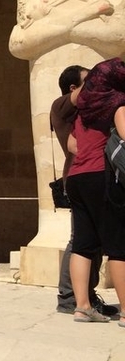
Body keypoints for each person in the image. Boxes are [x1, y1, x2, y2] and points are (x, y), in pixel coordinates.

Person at [52, 66, 116, 315]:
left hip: (90, 177)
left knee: (91, 240)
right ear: (73, 88)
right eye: (89, 81)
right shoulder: (60, 106)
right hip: (81, 177)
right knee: (79, 240)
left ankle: (85, 296)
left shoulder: (87, 111)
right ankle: (69, 297)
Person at [70, 58, 125, 324]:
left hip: (76, 176)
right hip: (99, 177)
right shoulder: (116, 105)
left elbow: (72, 144)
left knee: (82, 244)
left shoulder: (83, 111)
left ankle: (82, 306)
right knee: (118, 245)